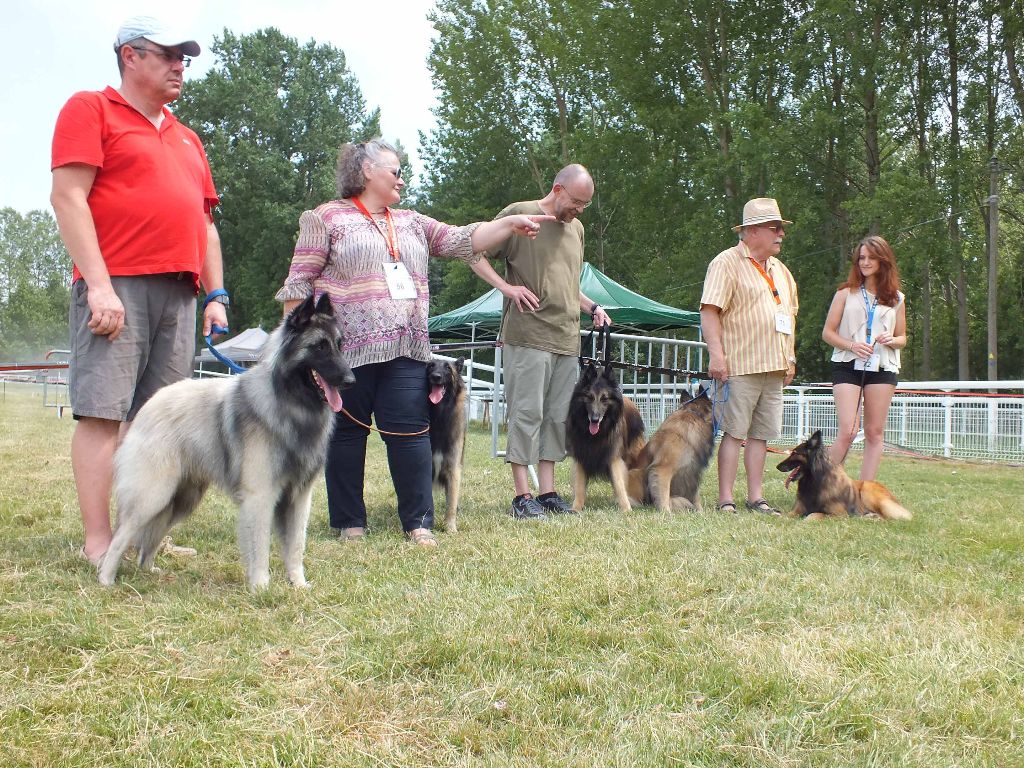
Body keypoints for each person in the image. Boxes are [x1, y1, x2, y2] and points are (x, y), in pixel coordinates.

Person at [276, 139, 551, 546]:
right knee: (347, 436)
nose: (403, 179)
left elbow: (464, 239)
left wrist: (509, 225)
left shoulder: (410, 221)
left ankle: (418, 522)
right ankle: (350, 522)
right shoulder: (326, 218)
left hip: (407, 348)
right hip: (345, 352)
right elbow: (298, 282)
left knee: (411, 434)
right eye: (396, 170)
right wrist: (292, 351)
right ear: (367, 171)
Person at [51, 16, 228, 566]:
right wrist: (99, 287)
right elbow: (68, 198)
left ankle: (144, 532)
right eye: (168, 54)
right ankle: (99, 540)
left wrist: (215, 295)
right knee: (104, 413)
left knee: (157, 421)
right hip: (117, 285)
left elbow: (205, 225)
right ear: (130, 56)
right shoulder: (91, 109)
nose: (179, 65)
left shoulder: (186, 136)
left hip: (179, 290)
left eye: (185, 57)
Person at [481, 164, 612, 520]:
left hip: (566, 337)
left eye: (586, 205)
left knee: (556, 417)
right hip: (528, 334)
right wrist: (506, 288)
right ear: (557, 189)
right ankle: (522, 496)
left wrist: (592, 306)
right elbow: (472, 251)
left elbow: (569, 283)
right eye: (576, 202)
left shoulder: (577, 229)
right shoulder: (517, 215)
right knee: (527, 413)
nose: (579, 210)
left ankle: (548, 492)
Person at [700, 198, 798, 515]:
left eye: (781, 227)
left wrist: (791, 358)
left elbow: (790, 315)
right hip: (739, 365)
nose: (781, 233)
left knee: (761, 435)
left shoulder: (781, 271)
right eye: (775, 227)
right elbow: (710, 311)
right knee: (734, 433)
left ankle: (756, 497)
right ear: (752, 231)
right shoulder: (726, 263)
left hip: (774, 366)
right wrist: (717, 356)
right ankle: (725, 498)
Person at [822, 235, 906, 480]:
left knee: (874, 432)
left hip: (883, 367)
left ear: (883, 260)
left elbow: (902, 337)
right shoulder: (845, 293)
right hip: (847, 365)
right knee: (848, 430)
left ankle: (864, 491)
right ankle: (820, 484)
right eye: (861, 258)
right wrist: (851, 345)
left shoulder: (897, 298)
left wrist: (892, 340)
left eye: (871, 257)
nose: (865, 262)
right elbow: (828, 333)